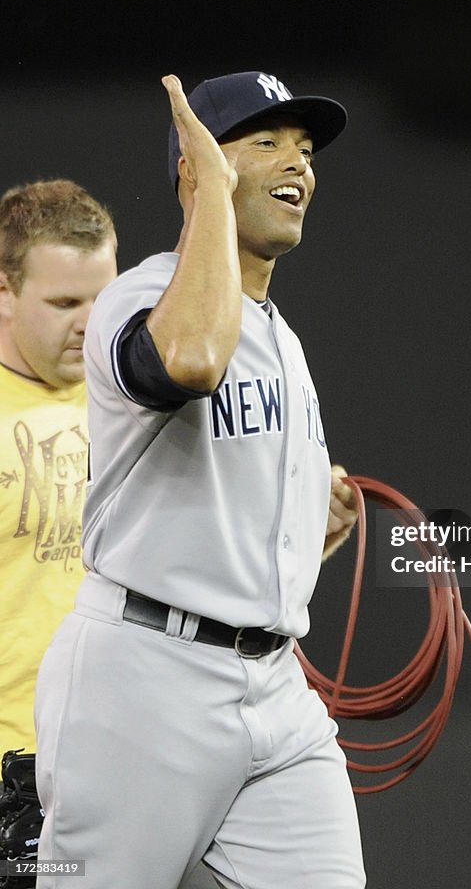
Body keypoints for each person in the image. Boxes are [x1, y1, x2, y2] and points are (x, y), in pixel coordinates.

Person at [33, 70, 364, 889]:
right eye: (266, 142)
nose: (298, 163)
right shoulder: (137, 297)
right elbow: (187, 359)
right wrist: (211, 194)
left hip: (274, 685)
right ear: (196, 166)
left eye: (306, 149)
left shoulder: (282, 336)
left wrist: (296, 525)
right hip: (145, 681)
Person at [0, 179, 117, 753]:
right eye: (66, 303)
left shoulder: (133, 405)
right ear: (4, 292)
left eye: (104, 300)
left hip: (122, 760)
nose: (92, 324)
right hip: (12, 770)